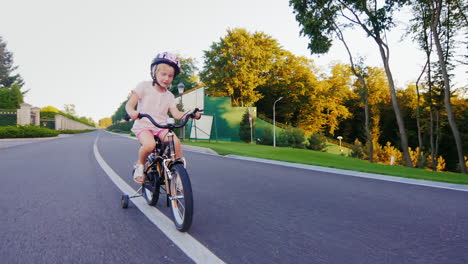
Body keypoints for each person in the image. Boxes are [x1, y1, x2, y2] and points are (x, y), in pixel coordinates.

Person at [126, 52, 201, 183]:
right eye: (163, 74)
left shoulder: (170, 96)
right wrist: (132, 112)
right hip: (144, 126)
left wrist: (190, 114)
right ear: (154, 72)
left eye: (170, 76)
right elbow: (130, 105)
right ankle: (140, 164)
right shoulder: (144, 86)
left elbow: (176, 114)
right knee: (149, 145)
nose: (166, 78)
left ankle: (177, 172)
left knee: (175, 142)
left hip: (161, 126)